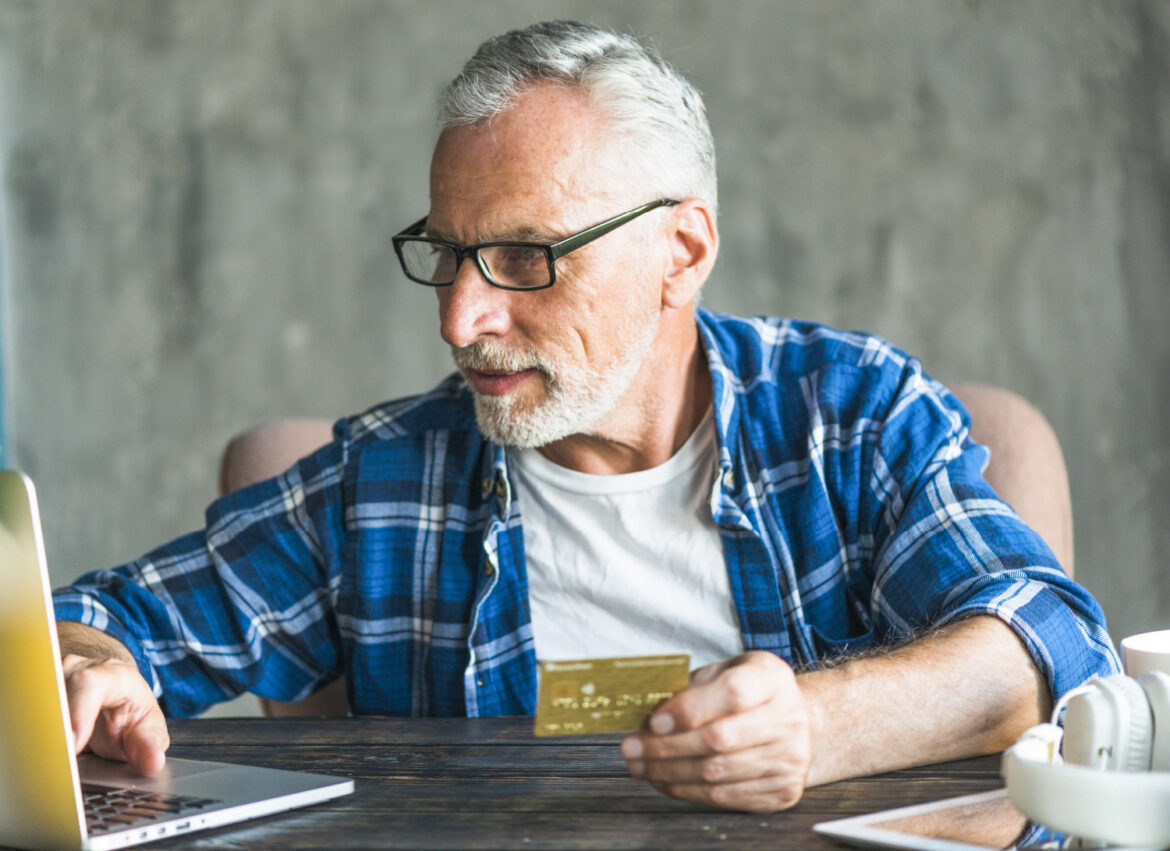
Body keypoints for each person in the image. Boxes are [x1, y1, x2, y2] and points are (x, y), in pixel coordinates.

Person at [53, 20, 1119, 813]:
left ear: (682, 251)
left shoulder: (846, 416)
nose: (462, 317)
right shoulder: (385, 482)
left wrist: (819, 723)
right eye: (448, 255)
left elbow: (1058, 643)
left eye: (526, 256)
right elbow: (105, 618)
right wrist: (86, 664)